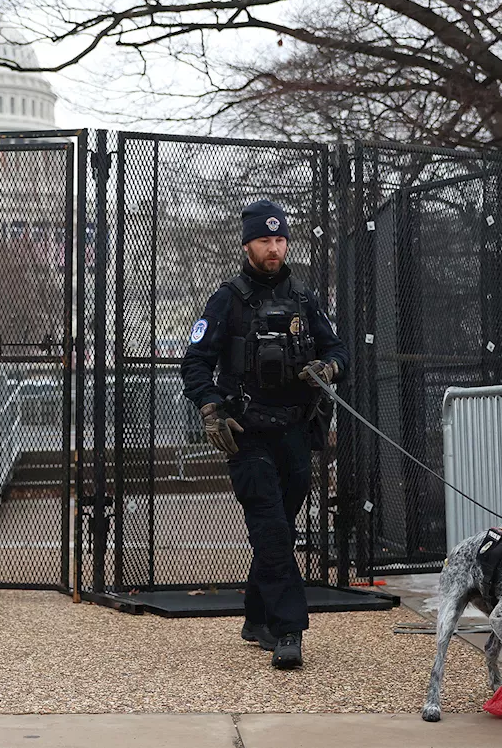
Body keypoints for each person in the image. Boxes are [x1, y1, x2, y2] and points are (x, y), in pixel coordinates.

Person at [180, 199, 347, 670]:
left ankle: (255, 616)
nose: (274, 249)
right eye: (264, 240)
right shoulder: (226, 300)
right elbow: (194, 363)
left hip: (295, 431)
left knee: (279, 527)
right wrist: (211, 407)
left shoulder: (303, 298)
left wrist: (329, 366)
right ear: (247, 245)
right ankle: (288, 629)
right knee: (272, 530)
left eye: (279, 240)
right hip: (246, 432)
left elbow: (338, 348)